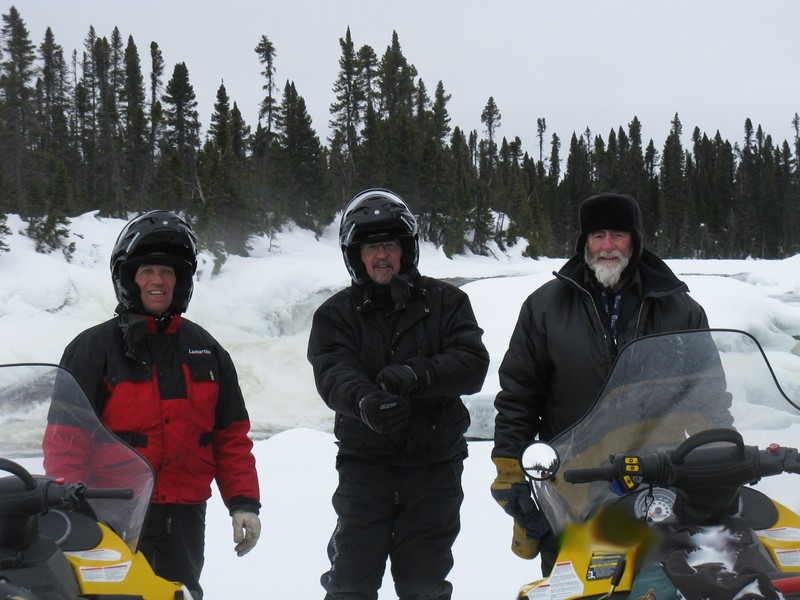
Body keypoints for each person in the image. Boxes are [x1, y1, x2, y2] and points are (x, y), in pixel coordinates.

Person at [491, 192, 710, 576]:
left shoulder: (680, 308)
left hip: (659, 484)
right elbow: (518, 396)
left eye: (618, 235)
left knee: (660, 582)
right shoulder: (544, 307)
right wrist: (511, 471)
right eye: (598, 236)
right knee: (572, 583)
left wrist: (720, 458)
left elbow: (707, 395)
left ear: (636, 239)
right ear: (584, 242)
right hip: (572, 483)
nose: (607, 246)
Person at [53, 210, 261, 599]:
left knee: (178, 594)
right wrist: (68, 505)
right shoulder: (92, 349)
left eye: (168, 272)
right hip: (112, 515)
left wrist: (244, 502)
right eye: (148, 270)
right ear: (129, 277)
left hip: (183, 515)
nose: (158, 281)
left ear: (180, 281)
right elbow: (67, 438)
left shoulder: (207, 351)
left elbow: (230, 436)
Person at [307, 188, 490, 600]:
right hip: (365, 468)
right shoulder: (335, 314)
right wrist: (364, 402)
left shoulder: (447, 302)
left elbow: (472, 363)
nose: (382, 256)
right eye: (372, 247)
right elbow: (332, 371)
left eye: (390, 245)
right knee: (350, 583)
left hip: (435, 467)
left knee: (424, 586)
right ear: (355, 254)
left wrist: (417, 375)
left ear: (407, 249)